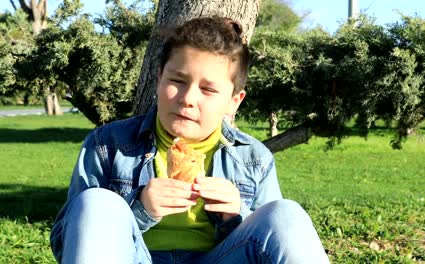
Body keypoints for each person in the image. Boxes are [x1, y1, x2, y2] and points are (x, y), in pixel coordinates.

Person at [50, 16, 329, 264]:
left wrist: (237, 215)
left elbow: (270, 244)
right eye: (178, 81)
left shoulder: (253, 158)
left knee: (285, 213)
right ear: (159, 79)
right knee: (97, 202)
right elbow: (66, 244)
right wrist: (139, 209)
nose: (188, 99)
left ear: (234, 102)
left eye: (208, 89)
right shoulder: (107, 145)